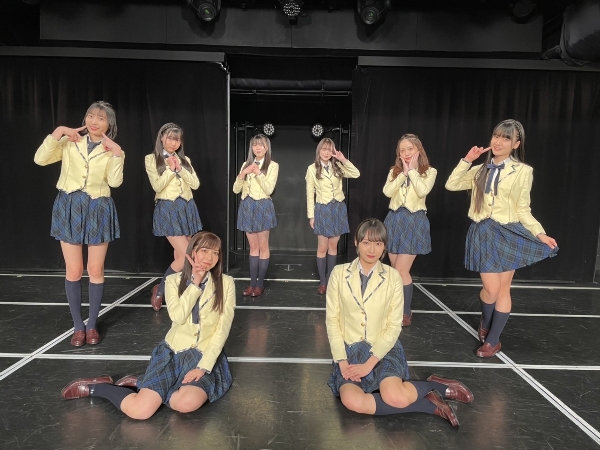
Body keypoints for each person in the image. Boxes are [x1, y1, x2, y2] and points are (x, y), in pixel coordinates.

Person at [61, 231, 235, 419]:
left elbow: (222, 331)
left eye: (215, 253)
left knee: (186, 403)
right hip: (173, 353)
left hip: (205, 354)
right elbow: (178, 317)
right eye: (205, 251)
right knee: (140, 411)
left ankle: (145, 384)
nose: (210, 257)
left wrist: (203, 367)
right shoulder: (172, 281)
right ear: (192, 251)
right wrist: (195, 284)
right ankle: (99, 387)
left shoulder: (226, 284)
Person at [325, 218, 473, 427]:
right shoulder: (339, 273)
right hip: (349, 350)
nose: (372, 249)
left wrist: (369, 364)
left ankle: (436, 386)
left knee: (395, 397)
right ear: (356, 243)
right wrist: (342, 361)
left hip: (382, 348)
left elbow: (394, 326)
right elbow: (332, 320)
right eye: (366, 242)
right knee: (352, 401)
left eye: (378, 243)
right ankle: (430, 404)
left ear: (385, 246)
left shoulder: (393, 277)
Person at [445, 119, 558, 358]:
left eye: (506, 138)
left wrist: (539, 233)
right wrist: (467, 160)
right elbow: (451, 185)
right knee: (491, 288)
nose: (498, 141)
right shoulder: (480, 169)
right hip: (483, 232)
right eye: (496, 136)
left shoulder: (523, 171)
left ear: (516, 144)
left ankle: (493, 340)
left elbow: (523, 209)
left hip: (508, 232)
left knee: (504, 288)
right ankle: (486, 322)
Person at [34, 101, 124, 346]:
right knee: (74, 270)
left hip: (98, 207)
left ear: (109, 124)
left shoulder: (112, 150)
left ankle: (92, 325)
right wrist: (60, 131)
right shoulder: (69, 142)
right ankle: (78, 326)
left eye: (101, 118)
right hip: (69, 206)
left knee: (95, 269)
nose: (94, 121)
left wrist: (116, 152)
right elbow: (40, 159)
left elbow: (115, 182)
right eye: (91, 116)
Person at [146, 123, 202, 311]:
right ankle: (160, 290)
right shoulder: (151, 159)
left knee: (180, 255)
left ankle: (176, 291)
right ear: (162, 138)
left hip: (186, 208)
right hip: (167, 208)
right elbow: (157, 186)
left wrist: (180, 168)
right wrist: (170, 169)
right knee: (187, 256)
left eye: (177, 139)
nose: (173, 143)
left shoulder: (185, 160)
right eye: (170, 138)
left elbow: (195, 184)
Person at [383, 134, 437, 326]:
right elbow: (387, 192)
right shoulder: (394, 171)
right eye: (402, 150)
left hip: (414, 221)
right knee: (395, 270)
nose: (406, 153)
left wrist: (412, 171)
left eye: (410, 149)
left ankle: (405, 312)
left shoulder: (429, 171)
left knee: (401, 270)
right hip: (394, 220)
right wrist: (403, 174)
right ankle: (397, 307)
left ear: (418, 150)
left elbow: (422, 191)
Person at [306, 138, 360, 295]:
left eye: (329, 150)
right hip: (322, 209)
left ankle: (330, 280)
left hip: (338, 209)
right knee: (322, 247)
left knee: (333, 246)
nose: (326, 152)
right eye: (324, 149)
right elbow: (310, 193)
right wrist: (311, 216)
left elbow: (356, 174)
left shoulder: (337, 166)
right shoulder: (312, 169)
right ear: (319, 150)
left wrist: (343, 159)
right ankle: (323, 282)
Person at [233, 134, 279, 297]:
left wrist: (258, 173)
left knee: (263, 246)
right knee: (253, 247)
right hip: (247, 206)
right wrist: (243, 173)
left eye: (261, 145)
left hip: (262, 206)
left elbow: (269, 189)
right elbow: (236, 189)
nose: (258, 148)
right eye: (255, 145)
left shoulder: (272, 165)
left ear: (267, 148)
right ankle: (252, 283)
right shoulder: (246, 164)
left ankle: (260, 284)